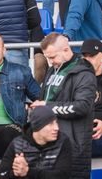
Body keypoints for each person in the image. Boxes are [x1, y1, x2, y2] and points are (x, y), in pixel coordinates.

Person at [34, 33, 96, 179]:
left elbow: (82, 106)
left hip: (72, 147)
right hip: (48, 145)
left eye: (53, 57)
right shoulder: (53, 69)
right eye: (48, 58)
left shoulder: (84, 73)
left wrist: (47, 106)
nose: (50, 62)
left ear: (66, 50)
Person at [0, 33, 41, 158]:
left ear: (4, 50)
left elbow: (40, 98)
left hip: (10, 129)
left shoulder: (20, 71)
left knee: (13, 135)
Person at [0, 106, 72, 179]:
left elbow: (63, 175)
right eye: (50, 124)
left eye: (56, 122)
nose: (56, 128)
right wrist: (15, 173)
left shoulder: (62, 141)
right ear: (38, 127)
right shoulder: (18, 144)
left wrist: (28, 171)